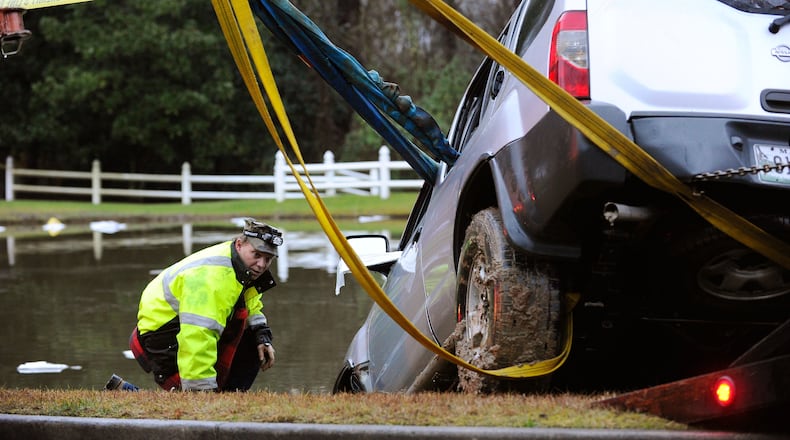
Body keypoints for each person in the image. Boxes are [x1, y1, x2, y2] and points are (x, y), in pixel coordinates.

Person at [123, 218, 284, 392]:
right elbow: (198, 335)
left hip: (179, 328)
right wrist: (201, 391)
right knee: (196, 394)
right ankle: (205, 392)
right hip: (163, 336)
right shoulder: (213, 279)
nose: (261, 265)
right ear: (239, 244)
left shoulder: (240, 266)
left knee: (252, 337)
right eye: (257, 255)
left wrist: (262, 335)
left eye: (268, 259)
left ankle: (229, 397)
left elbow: (250, 301)